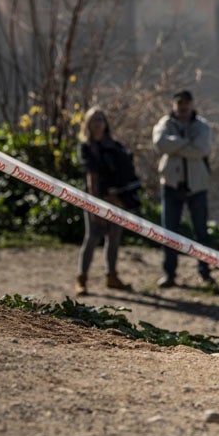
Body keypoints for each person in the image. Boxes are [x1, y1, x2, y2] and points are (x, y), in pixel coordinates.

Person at [74, 106, 138, 295]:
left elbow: (125, 172)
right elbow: (91, 177)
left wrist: (120, 198)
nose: (97, 124)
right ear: (88, 124)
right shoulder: (85, 147)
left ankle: (112, 275)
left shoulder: (115, 146)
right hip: (95, 198)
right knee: (92, 237)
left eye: (100, 120)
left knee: (114, 236)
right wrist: (96, 205)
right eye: (93, 120)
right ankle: (82, 279)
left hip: (115, 198)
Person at [152, 89, 213, 288]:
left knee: (201, 231)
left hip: (197, 186)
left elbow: (202, 149)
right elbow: (160, 144)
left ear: (192, 104)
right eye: (179, 103)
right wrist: (188, 144)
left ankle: (204, 271)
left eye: (186, 103)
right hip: (171, 185)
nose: (183, 107)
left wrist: (176, 145)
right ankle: (169, 273)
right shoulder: (165, 124)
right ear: (173, 105)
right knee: (169, 231)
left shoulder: (202, 126)